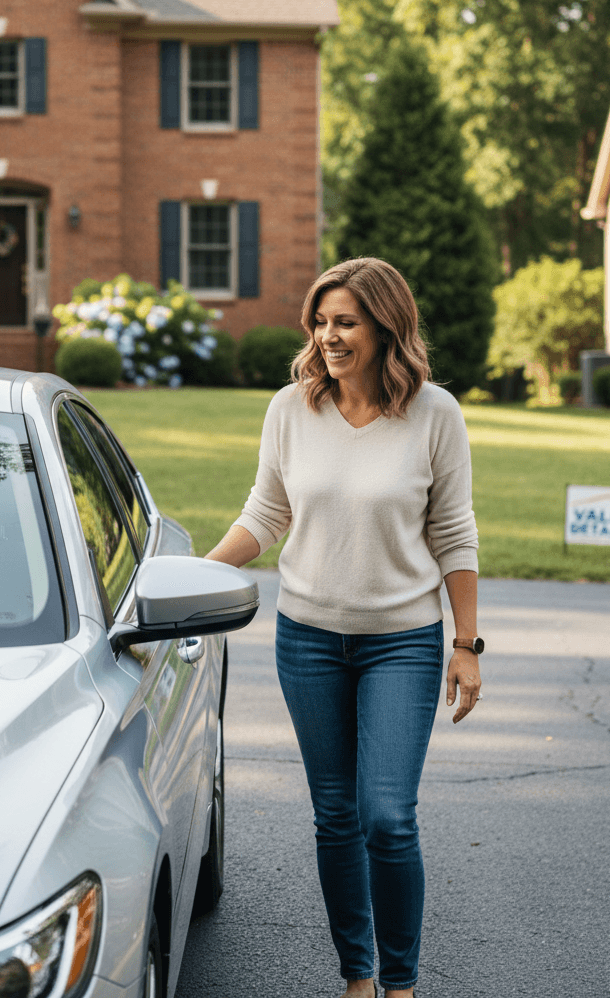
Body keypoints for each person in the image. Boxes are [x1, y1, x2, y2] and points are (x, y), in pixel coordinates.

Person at [207, 257, 482, 998]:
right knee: (336, 818)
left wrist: (466, 645)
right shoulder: (290, 409)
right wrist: (201, 573)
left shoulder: (435, 414)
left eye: (346, 323)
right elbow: (266, 513)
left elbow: (454, 532)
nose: (329, 336)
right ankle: (357, 977)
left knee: (387, 818)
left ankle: (402, 982)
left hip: (403, 641)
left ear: (386, 327)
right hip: (308, 641)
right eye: (321, 322)